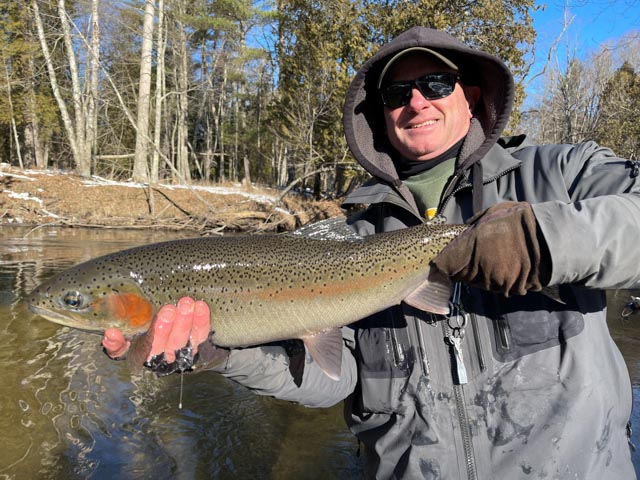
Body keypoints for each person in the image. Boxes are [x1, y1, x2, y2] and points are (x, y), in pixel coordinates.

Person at [102, 26, 640, 479]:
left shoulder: (562, 175)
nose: (416, 102)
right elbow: (331, 380)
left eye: (435, 82)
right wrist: (222, 352)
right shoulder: (355, 238)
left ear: (469, 95)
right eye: (396, 93)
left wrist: (543, 241)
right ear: (379, 115)